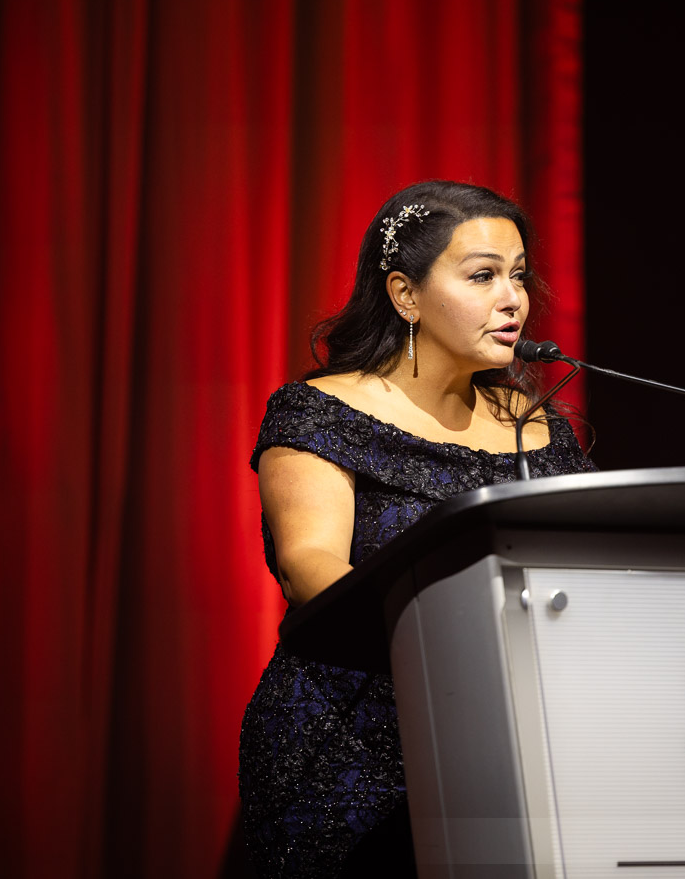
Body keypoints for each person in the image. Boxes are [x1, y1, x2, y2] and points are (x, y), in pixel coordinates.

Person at [237, 180, 595, 877]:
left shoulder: (537, 425)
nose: (513, 299)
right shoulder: (320, 412)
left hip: (506, 743)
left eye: (519, 275)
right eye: (483, 276)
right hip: (351, 750)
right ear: (405, 295)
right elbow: (309, 565)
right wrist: (447, 647)